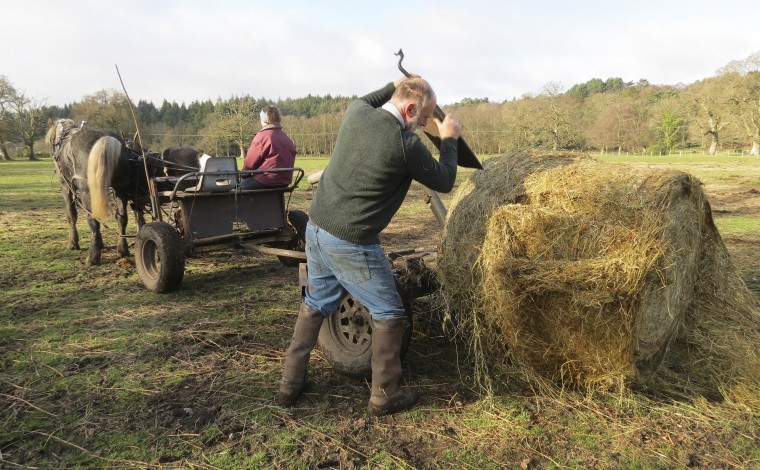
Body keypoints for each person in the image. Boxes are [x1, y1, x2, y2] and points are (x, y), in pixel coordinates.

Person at [277, 75, 461, 416]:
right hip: (351, 240)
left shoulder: (357, 111)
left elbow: (376, 96)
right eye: (424, 116)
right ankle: (385, 394)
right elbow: (446, 180)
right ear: (409, 108)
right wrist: (449, 140)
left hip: (316, 229)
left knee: (316, 301)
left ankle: (290, 383)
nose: (425, 124)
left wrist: (397, 80)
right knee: (390, 311)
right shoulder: (406, 145)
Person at [240, 105, 296, 190]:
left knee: (236, 188)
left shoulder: (262, 136)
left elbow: (250, 162)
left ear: (264, 120)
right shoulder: (286, 138)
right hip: (285, 181)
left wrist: (243, 174)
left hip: (266, 180)